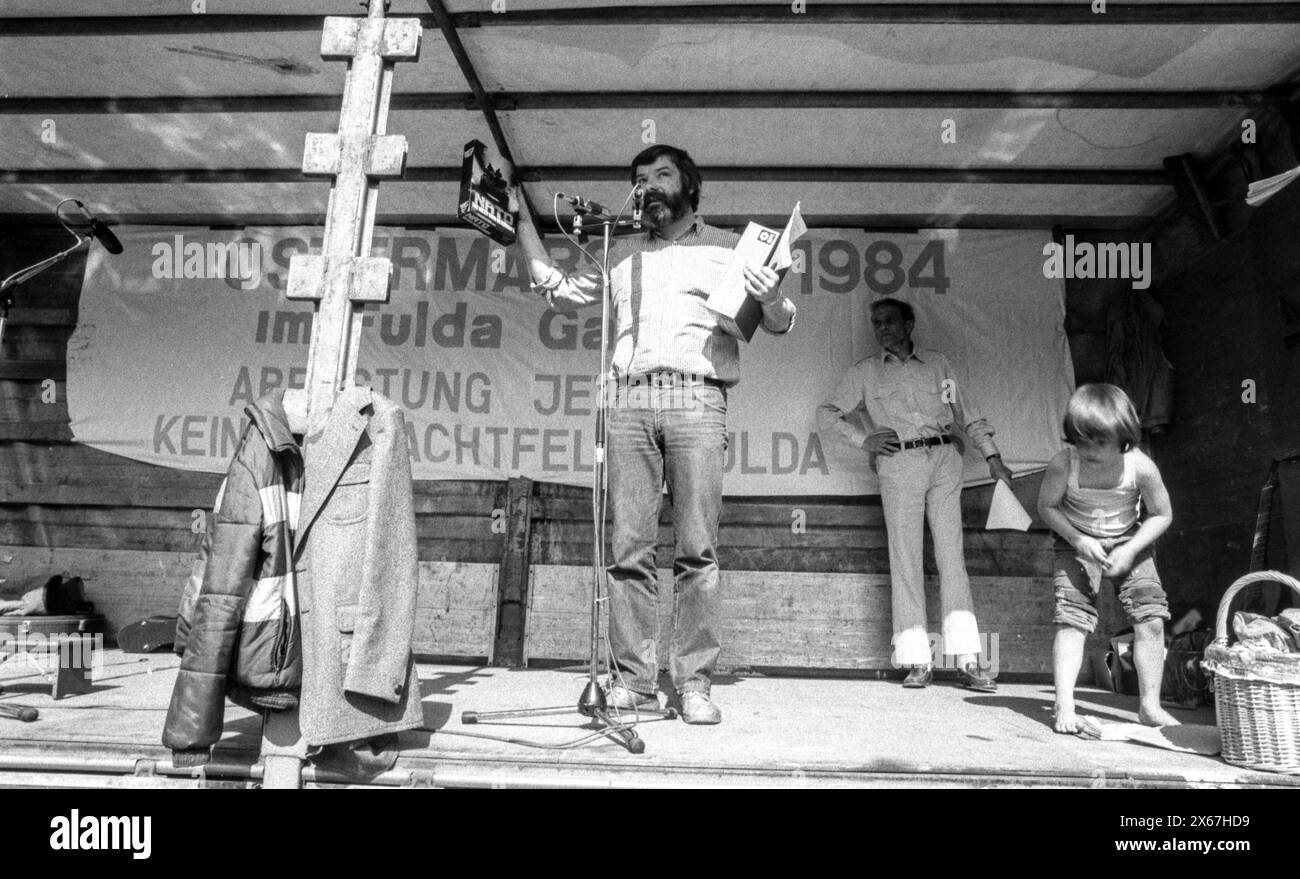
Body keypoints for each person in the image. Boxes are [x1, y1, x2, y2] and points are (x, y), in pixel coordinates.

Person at [506, 144, 797, 724]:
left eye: (662, 175)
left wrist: (769, 297)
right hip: (630, 398)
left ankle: (694, 684)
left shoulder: (727, 247)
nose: (648, 186)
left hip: (697, 396)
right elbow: (558, 289)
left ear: (691, 187)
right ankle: (634, 683)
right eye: (640, 179)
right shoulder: (620, 251)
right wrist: (521, 225)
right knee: (629, 549)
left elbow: (781, 321)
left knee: (697, 549)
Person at [817, 297, 1012, 691]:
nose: (882, 328)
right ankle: (916, 660)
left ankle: (969, 660)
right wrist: (864, 440)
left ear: (909, 324)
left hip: (943, 457)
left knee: (950, 554)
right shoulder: (866, 372)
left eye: (889, 321)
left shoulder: (939, 364)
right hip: (899, 463)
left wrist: (992, 457)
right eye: (876, 323)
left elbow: (967, 413)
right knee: (904, 556)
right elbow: (827, 414)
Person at [1037, 383, 1178, 733]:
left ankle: (1149, 706)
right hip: (1076, 543)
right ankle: (1064, 706)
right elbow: (1046, 507)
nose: (1090, 450)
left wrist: (1129, 550)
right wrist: (1077, 538)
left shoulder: (1141, 467)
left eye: (1100, 442)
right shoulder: (1062, 465)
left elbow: (1161, 514)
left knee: (1152, 619)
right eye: (1081, 441)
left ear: (1124, 437)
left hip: (1130, 541)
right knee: (1072, 620)